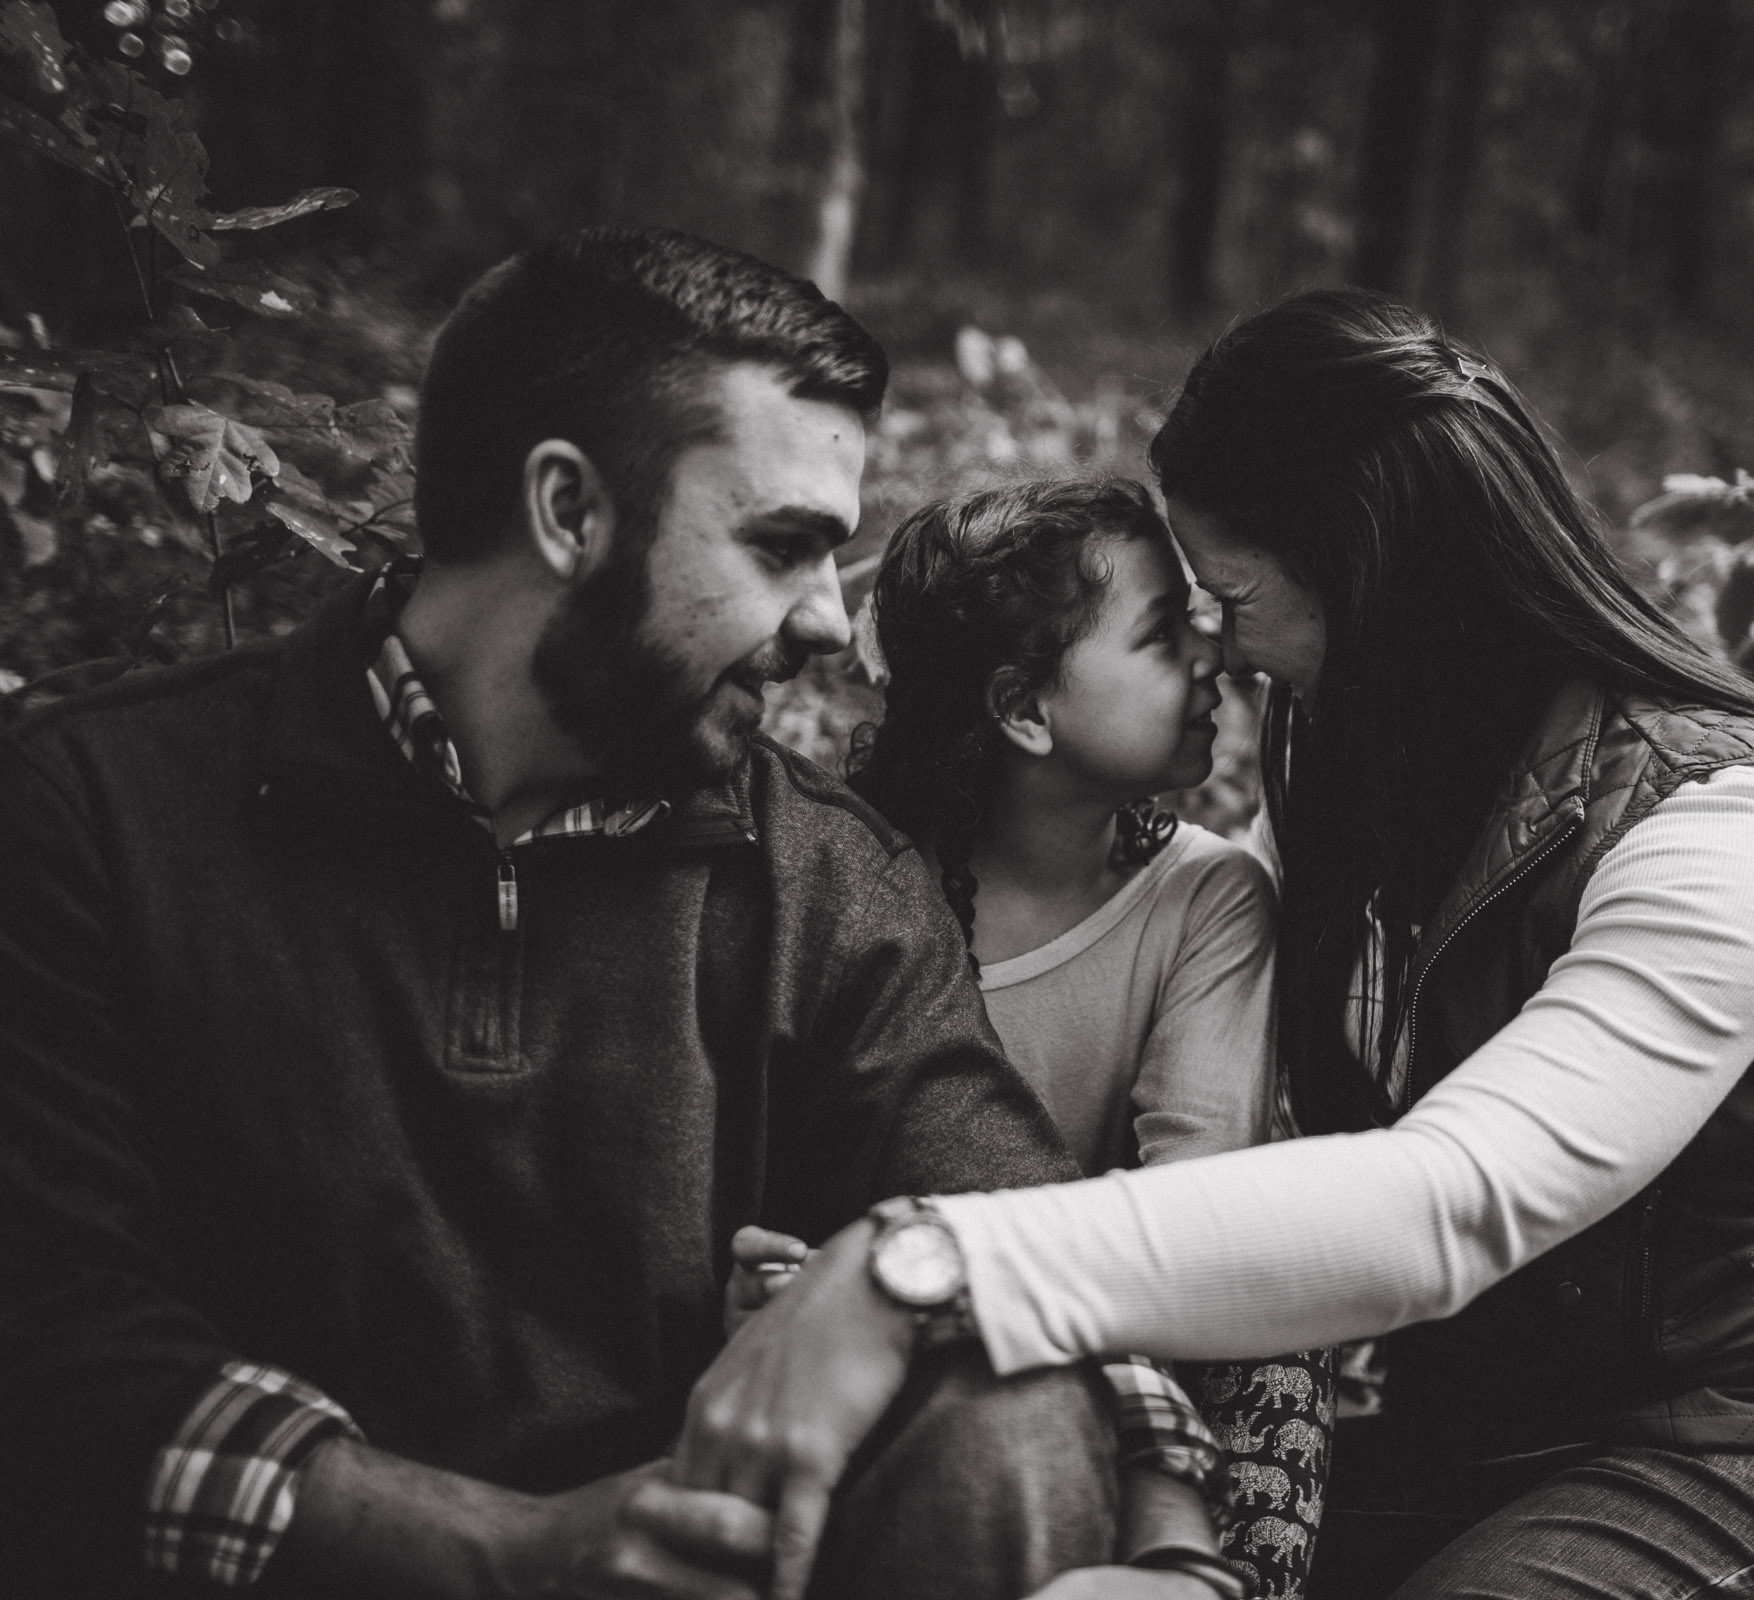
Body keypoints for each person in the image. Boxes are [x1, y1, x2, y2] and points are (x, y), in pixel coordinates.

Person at [0, 228, 1218, 1600]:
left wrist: (1174, 1553)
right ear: (571, 512)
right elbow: (49, 1338)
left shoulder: (827, 879)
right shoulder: (95, 811)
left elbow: (1024, 1235)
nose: (829, 624)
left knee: (1007, 1406)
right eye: (783, 548)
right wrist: (500, 1554)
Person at [670, 287, 1754, 1600]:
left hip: (1737, 1454)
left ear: (1364, 565)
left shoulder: (1733, 827)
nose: (1222, 643)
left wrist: (923, 1267)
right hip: (1453, 1446)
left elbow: (1453, 1202)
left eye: (1228, 592)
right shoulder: (1367, 772)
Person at [728, 478, 1334, 1597]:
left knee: (1283, 1347)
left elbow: (1198, 1209)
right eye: (1161, 637)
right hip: (856, 1339)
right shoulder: (853, 881)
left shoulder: (1205, 901)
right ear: (1022, 707)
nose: (1214, 659)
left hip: (1129, 1341)